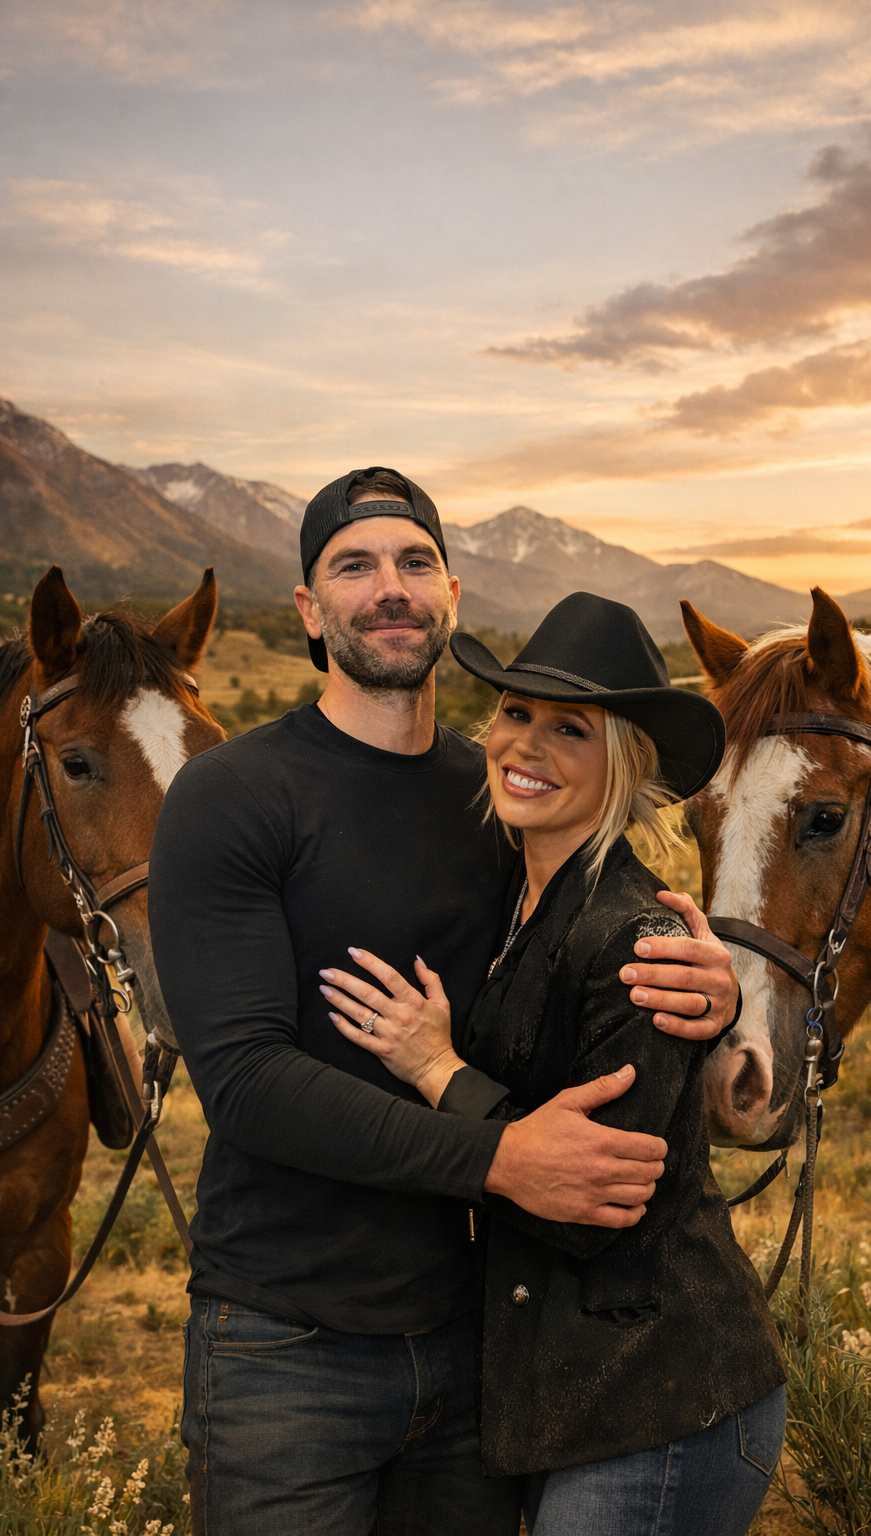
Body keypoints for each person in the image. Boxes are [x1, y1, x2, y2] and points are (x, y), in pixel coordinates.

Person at [148, 467, 741, 1536]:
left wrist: (712, 989)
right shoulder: (234, 793)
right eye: (354, 565)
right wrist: (499, 1158)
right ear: (308, 609)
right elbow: (243, 1082)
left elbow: (586, 968)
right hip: (287, 1346)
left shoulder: (500, 800)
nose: (390, 588)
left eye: (415, 562)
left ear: (452, 597)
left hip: (475, 1345)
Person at [321, 590, 786, 1536]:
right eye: (515, 713)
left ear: (623, 764)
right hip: (573, 1393)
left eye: (569, 728)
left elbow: (591, 1201)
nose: (523, 746)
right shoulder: (517, 894)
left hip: (661, 1399)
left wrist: (435, 1067)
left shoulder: (642, 941)